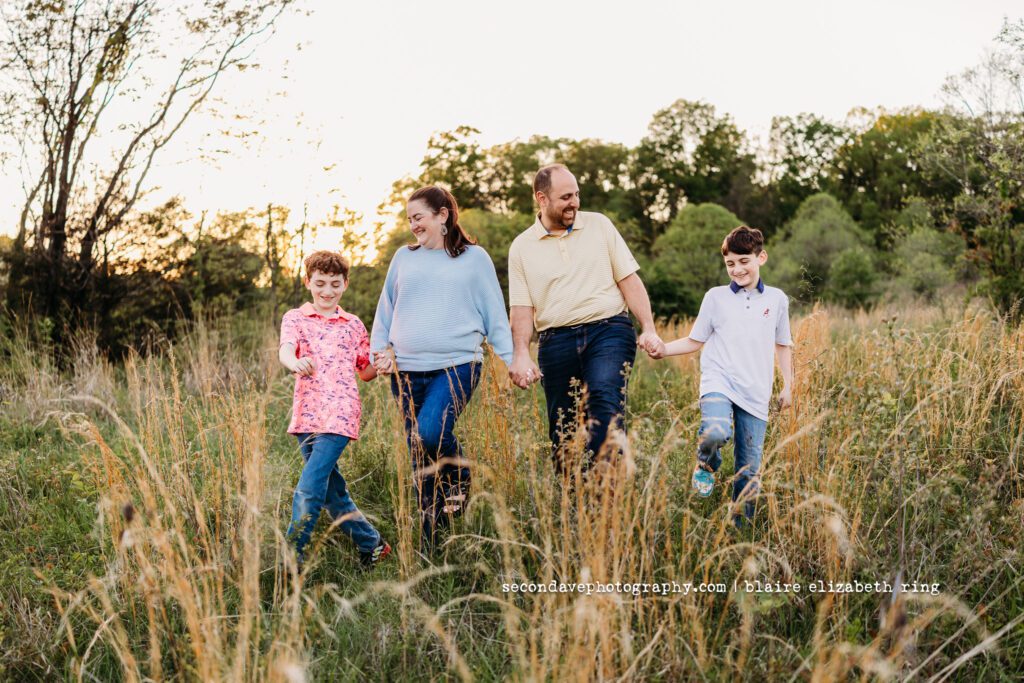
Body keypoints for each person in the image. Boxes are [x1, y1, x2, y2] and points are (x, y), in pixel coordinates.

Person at [371, 185, 513, 549]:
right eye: (409, 220)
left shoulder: (474, 258)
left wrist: (513, 360)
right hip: (405, 370)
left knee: (430, 434)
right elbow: (386, 308)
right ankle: (430, 531)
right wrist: (379, 352)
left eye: (418, 218)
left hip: (457, 365)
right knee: (417, 448)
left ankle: (460, 471)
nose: (413, 226)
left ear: (443, 215)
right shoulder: (404, 257)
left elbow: (494, 312)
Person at [507, 164, 662, 475]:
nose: (574, 202)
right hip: (555, 341)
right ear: (542, 198)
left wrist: (649, 328)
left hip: (609, 330)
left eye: (576, 194)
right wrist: (521, 353)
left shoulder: (600, 226)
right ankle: (575, 502)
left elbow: (628, 280)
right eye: (565, 197)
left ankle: (606, 496)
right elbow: (522, 309)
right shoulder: (521, 247)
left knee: (604, 401)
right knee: (563, 430)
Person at [648, 225, 794, 525]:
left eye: (744, 261)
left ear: (761, 258)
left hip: (756, 392)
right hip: (719, 382)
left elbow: (783, 344)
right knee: (715, 431)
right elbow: (695, 340)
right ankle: (707, 462)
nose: (737, 270)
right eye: (730, 264)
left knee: (749, 471)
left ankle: (741, 532)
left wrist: (788, 386)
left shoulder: (777, 300)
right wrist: (663, 349)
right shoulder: (715, 298)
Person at [279, 250, 391, 570]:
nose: (327, 291)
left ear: (345, 284)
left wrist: (381, 364)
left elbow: (365, 370)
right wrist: (294, 362)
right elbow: (286, 349)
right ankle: (372, 544)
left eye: (334, 284)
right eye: (320, 283)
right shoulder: (295, 318)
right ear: (307, 282)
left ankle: (292, 560)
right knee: (331, 491)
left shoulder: (353, 325)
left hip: (340, 414)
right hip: (306, 414)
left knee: (310, 488)